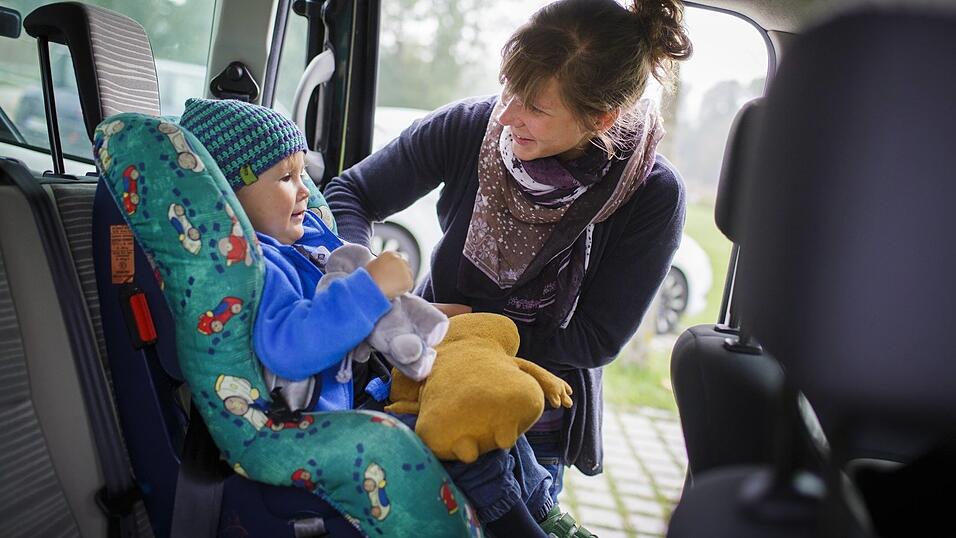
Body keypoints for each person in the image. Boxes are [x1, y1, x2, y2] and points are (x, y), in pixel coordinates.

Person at [325, 0, 693, 528]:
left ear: (600, 118)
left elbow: (596, 339)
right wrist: (362, 278)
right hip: (426, 379)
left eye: (536, 108)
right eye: (509, 88)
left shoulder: (654, 196)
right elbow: (352, 193)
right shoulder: (473, 126)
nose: (507, 114)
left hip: (533, 416)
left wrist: (471, 329)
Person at [178, 98, 562, 537]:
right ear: (229, 196)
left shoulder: (297, 244)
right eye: (286, 178)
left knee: (487, 394)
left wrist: (418, 313)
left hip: (362, 392)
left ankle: (544, 508)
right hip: (320, 426)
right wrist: (369, 290)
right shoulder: (257, 267)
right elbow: (289, 347)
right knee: (467, 438)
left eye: (303, 174)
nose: (304, 190)